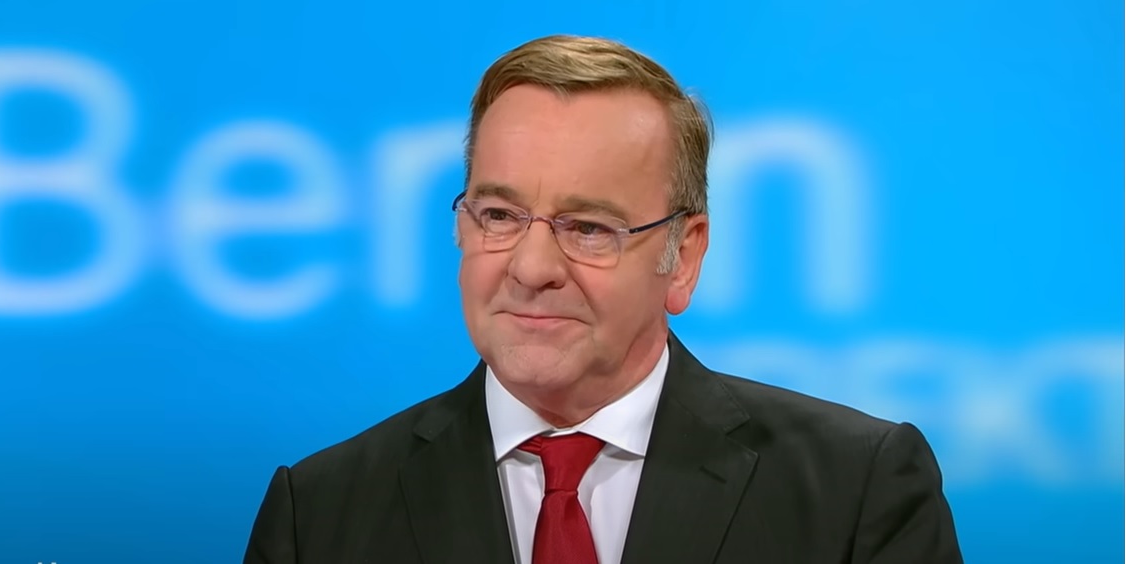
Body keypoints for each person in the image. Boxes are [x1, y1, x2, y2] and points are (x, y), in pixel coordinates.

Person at [243, 34, 963, 564]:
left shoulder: (857, 491)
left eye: (588, 228)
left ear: (683, 258)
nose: (531, 268)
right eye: (499, 215)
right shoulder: (319, 516)